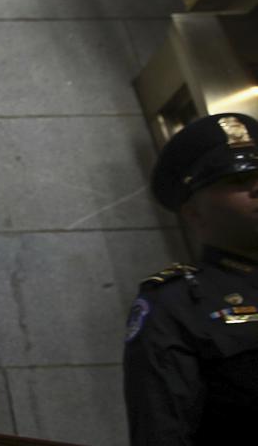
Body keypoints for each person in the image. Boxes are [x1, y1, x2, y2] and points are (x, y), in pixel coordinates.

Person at [124, 112, 258, 445]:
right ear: (192, 212)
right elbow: (162, 432)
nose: (257, 188)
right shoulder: (177, 305)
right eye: (239, 181)